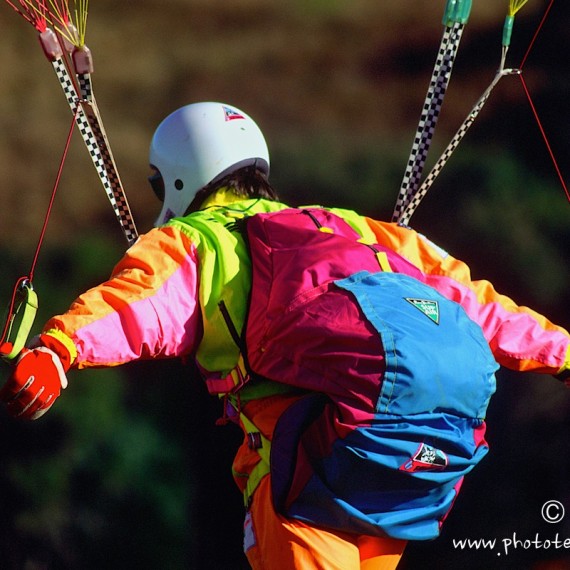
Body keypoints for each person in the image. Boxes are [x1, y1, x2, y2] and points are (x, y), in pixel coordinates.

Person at [1, 101, 568, 570]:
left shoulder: (195, 241)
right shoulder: (349, 225)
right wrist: (561, 351)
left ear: (177, 176)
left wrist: (60, 350)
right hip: (410, 467)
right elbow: (471, 300)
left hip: (311, 462)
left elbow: (137, 305)